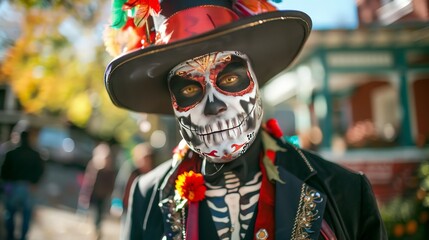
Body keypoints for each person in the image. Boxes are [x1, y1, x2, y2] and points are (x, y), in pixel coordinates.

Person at [102, 0, 388, 239]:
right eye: (190, 88)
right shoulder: (147, 196)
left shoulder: (345, 193)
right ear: (174, 103)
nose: (214, 106)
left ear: (255, 81)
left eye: (229, 78)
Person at [0, 130, 45, 240]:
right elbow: (40, 170)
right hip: (28, 187)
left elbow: (4, 171)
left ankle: (10, 236)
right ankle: (23, 237)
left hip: (13, 187)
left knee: (10, 213)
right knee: (26, 215)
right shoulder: (35, 155)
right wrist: (35, 182)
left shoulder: (11, 153)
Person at [78, 141, 117, 239]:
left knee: (98, 213)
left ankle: (96, 229)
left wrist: (109, 192)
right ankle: (91, 226)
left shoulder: (109, 170)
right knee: (91, 210)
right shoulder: (94, 165)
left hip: (102, 194)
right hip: (94, 193)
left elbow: (111, 183)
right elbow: (89, 179)